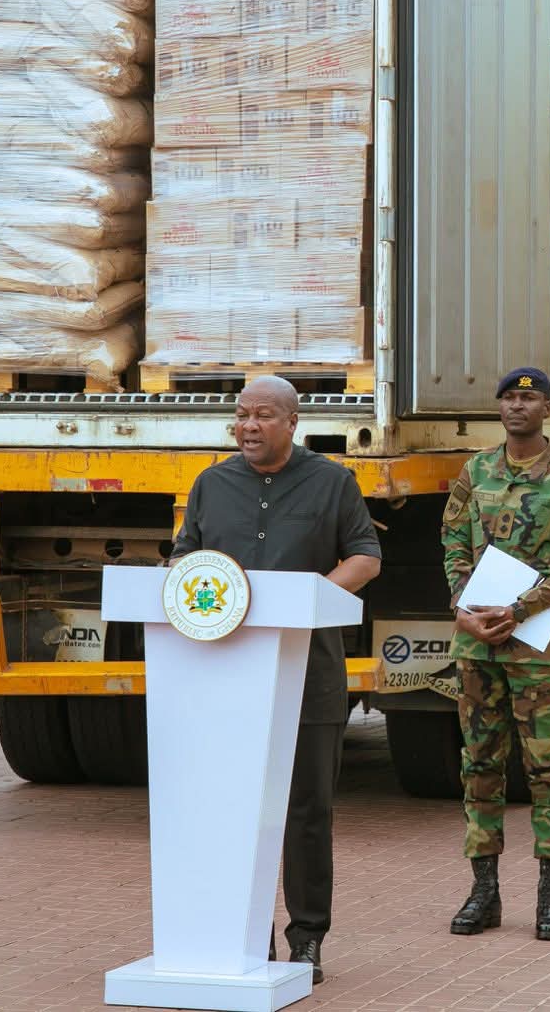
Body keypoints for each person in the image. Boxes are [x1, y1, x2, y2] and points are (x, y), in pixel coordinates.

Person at [170, 375, 381, 980]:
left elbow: (365, 556)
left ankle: (308, 937)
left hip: (308, 674)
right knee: (237, 809)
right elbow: (186, 557)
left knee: (307, 809)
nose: (248, 426)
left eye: (262, 415)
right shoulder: (212, 484)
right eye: (241, 415)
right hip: (226, 674)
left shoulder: (333, 482)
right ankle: (248, 934)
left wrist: (311, 600)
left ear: (292, 422)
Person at [441, 366, 550, 942]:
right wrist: (463, 603)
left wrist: (522, 607)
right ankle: (483, 892)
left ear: (548, 410)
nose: (517, 407)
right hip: (477, 641)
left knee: (546, 768)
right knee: (479, 763)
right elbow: (454, 538)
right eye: (509, 397)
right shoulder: (475, 471)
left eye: (528, 399)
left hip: (536, 643)